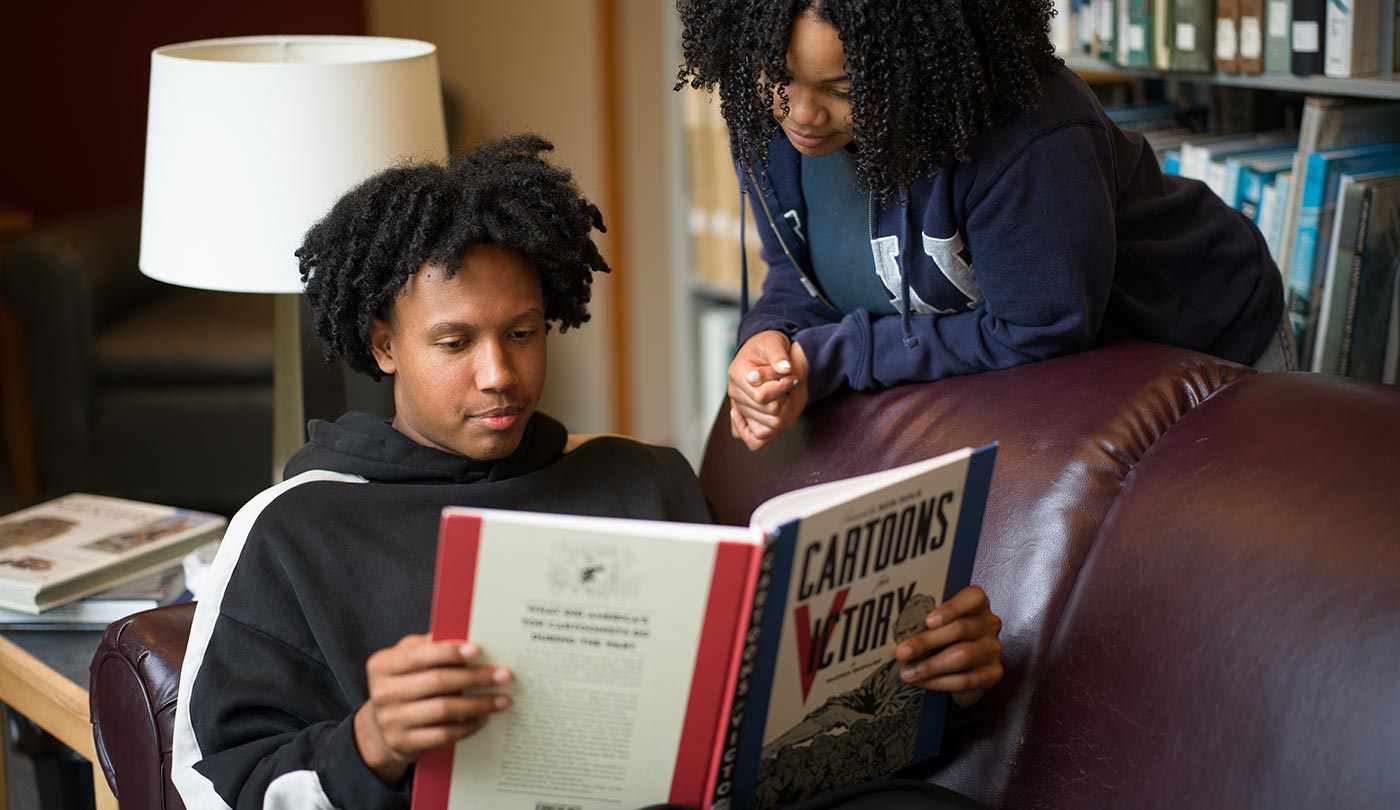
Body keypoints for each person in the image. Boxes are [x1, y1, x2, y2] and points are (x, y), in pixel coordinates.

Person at [170, 134, 1004, 810]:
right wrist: (370, 745)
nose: (499, 374)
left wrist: (926, 680)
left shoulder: (643, 480)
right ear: (385, 345)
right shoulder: (294, 529)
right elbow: (212, 787)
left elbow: (757, 725)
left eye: (524, 333)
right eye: (455, 343)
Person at [675, 0, 1293, 452]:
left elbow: (1041, 329)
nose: (801, 114)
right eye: (778, 75)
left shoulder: (1027, 138)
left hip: (1202, 344)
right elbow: (796, 268)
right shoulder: (769, 125)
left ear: (915, 65)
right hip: (1044, 377)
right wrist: (770, 335)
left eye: (844, 88)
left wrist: (837, 355)